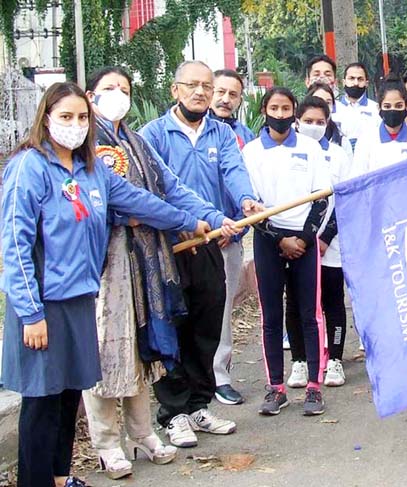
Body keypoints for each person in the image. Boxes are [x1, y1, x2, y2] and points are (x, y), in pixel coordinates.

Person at [1, 81, 214, 487]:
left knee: (67, 396)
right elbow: (15, 244)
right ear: (45, 119)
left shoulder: (93, 171)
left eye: (82, 117)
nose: (76, 125)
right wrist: (30, 314)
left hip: (82, 298)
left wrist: (189, 221)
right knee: (42, 402)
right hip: (43, 306)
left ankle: (61, 478)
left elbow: (141, 202)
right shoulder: (29, 167)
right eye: (65, 116)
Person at [82, 67, 241, 479]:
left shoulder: (134, 141)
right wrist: (181, 220)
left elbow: (170, 187)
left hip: (148, 259)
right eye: (108, 89)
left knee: (145, 343)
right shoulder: (85, 147)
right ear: (89, 95)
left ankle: (143, 432)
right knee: (107, 347)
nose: (118, 95)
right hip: (106, 262)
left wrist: (210, 215)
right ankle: (106, 442)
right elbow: (124, 201)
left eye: (124, 89)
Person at [140, 60, 262, 447]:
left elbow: (234, 170)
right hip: (169, 245)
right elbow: (156, 188)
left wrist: (245, 201)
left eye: (207, 86)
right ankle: (173, 413)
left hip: (213, 241)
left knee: (207, 325)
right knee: (174, 328)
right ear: (175, 89)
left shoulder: (221, 134)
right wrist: (187, 220)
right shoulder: (153, 135)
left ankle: (199, 404)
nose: (200, 92)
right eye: (191, 85)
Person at [241, 88, 331, 416]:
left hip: (305, 241)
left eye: (286, 108)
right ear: (264, 110)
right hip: (268, 240)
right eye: (274, 108)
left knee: (309, 313)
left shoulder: (310, 147)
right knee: (271, 316)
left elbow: (322, 197)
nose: (280, 114)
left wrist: (304, 239)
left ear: (294, 112)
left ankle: (313, 386)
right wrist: (279, 239)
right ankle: (276, 387)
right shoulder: (251, 152)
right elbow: (250, 202)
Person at [284, 96, 353, 387]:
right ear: (296, 122)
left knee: (333, 300)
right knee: (297, 303)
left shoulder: (339, 154)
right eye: (308, 121)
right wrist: (298, 239)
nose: (314, 126)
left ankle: (334, 360)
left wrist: (324, 237)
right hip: (296, 244)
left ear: (328, 123)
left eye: (320, 122)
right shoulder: (287, 153)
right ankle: (300, 361)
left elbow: (345, 198)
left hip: (330, 244)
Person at [208, 68, 256, 406]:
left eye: (232, 94)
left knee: (222, 309)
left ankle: (220, 376)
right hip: (191, 238)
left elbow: (248, 185)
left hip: (230, 239)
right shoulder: (168, 133)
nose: (225, 99)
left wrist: (239, 225)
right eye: (219, 91)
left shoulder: (244, 137)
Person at [353, 76, 407, 174]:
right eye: (387, 106)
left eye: (399, 106)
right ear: (379, 108)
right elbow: (358, 179)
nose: (393, 110)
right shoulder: (366, 141)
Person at [338, 62, 380, 150]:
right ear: (344, 82)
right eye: (351, 78)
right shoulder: (334, 109)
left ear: (366, 83)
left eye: (360, 79)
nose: (356, 83)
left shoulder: (375, 109)